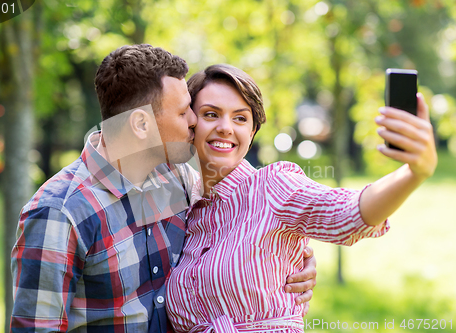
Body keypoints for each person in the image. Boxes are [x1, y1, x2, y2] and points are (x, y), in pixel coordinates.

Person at [9, 44, 317, 333]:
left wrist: (296, 257)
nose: (195, 120)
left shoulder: (177, 178)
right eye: (183, 112)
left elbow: (238, 229)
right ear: (141, 125)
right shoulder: (60, 213)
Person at [165, 64, 438, 333]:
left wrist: (413, 173)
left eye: (240, 118)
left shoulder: (273, 186)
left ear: (252, 132)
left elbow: (346, 212)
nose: (226, 128)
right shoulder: (183, 205)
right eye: (211, 114)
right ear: (191, 124)